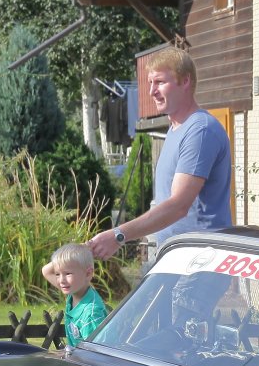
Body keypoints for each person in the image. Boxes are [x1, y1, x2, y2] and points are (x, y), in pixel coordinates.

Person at [88, 48, 229, 259]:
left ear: (185, 81)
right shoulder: (175, 130)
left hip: (201, 259)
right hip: (177, 255)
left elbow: (178, 206)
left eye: (160, 82)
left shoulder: (200, 130)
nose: (152, 91)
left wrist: (119, 235)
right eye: (150, 83)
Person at [42, 242, 107, 349]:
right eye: (57, 274)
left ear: (88, 274)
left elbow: (96, 352)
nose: (61, 280)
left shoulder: (90, 314)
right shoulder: (74, 292)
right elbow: (46, 271)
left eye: (68, 273)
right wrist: (79, 248)